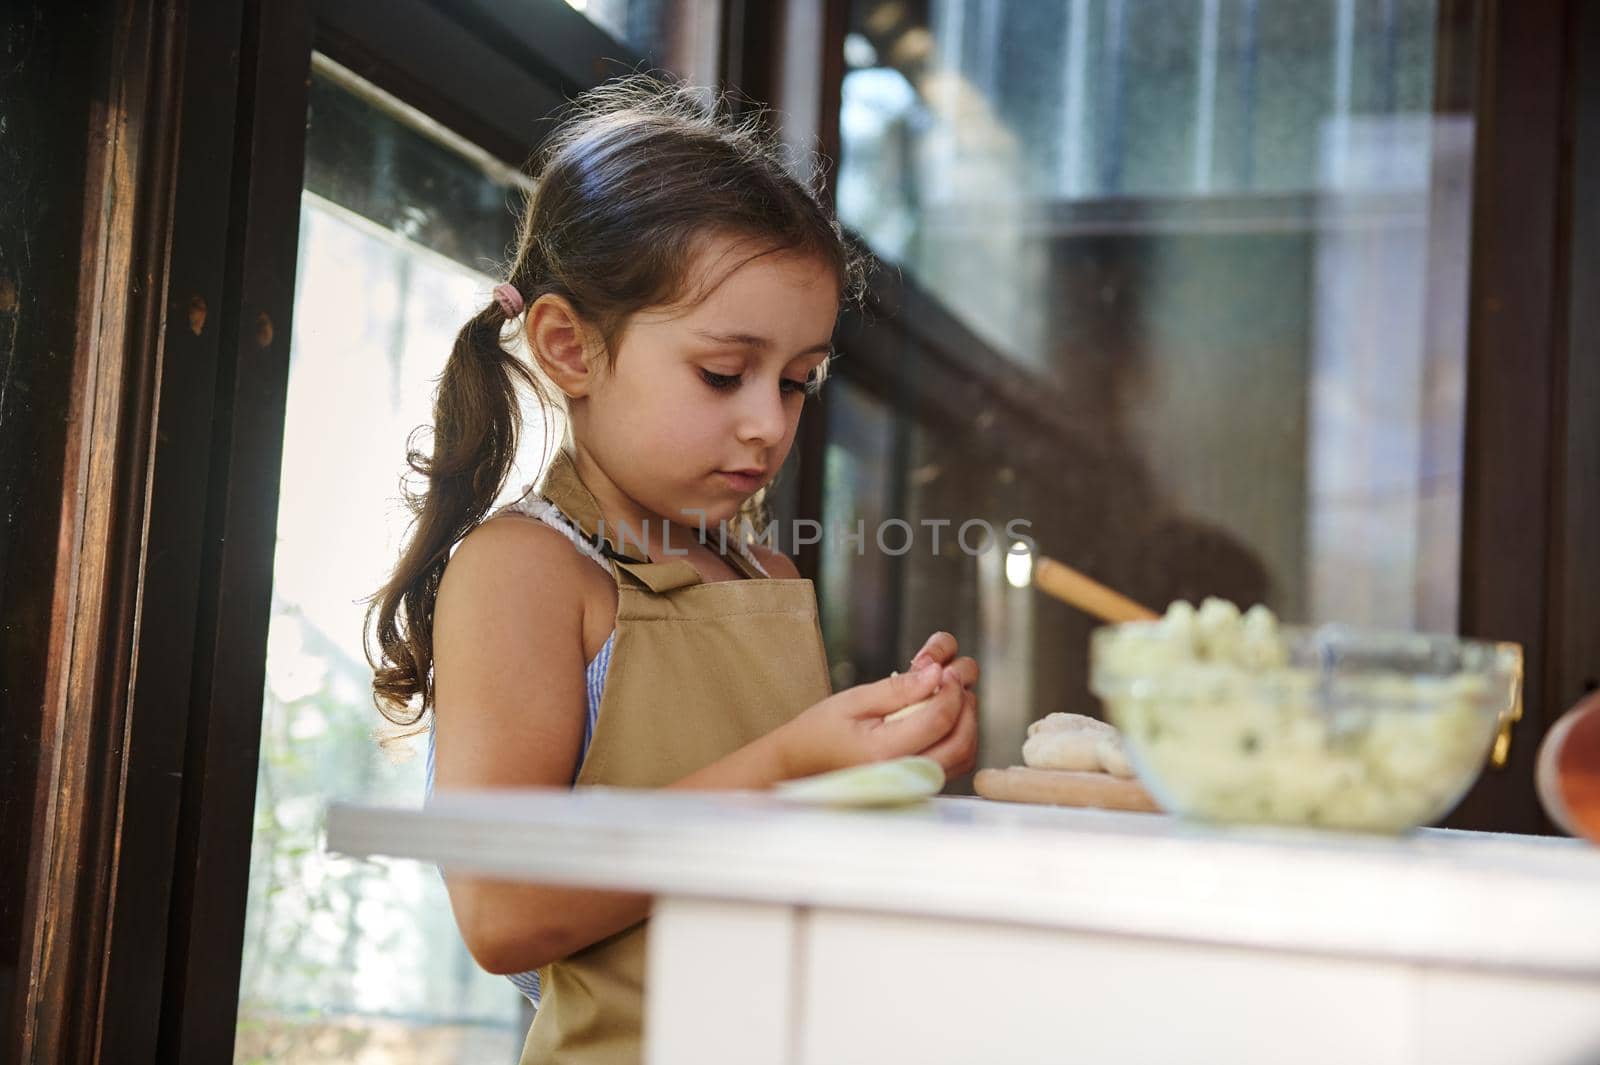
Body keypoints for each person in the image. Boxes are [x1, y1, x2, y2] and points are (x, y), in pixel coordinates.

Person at [364, 75, 979, 1064]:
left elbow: (781, 870)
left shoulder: (762, 568)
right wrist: (793, 769)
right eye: (721, 373)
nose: (769, 424)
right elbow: (502, 911)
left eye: (795, 382)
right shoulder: (526, 569)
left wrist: (891, 769)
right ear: (570, 346)